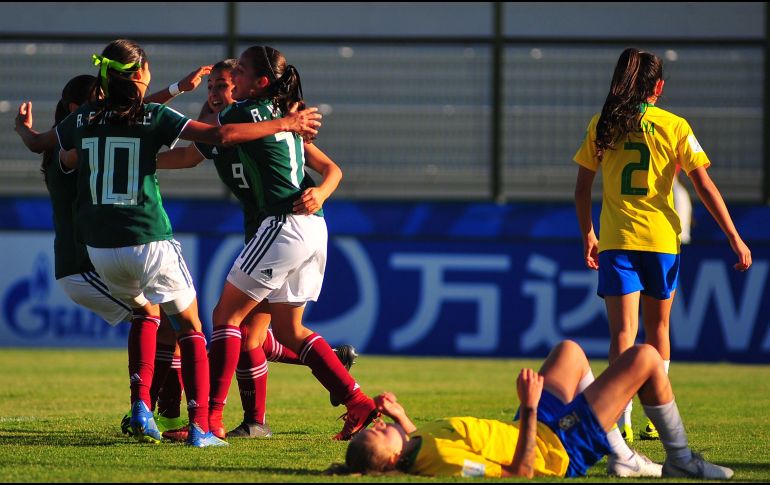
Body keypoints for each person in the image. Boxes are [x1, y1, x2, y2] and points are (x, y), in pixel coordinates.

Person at [14, 38, 321, 447]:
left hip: (101, 251)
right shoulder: (153, 115)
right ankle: (200, 427)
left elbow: (40, 144)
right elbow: (222, 134)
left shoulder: (86, 117)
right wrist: (286, 123)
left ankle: (143, 406)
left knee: (148, 316)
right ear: (140, 75)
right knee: (194, 327)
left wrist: (23, 129)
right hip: (147, 238)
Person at [156, 59, 358, 440]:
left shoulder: (257, 125)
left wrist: (321, 192)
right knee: (260, 332)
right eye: (212, 87)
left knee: (240, 328)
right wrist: (136, 163)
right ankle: (327, 387)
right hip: (264, 235)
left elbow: (331, 168)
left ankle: (235, 420)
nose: (215, 94)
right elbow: (186, 156)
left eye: (224, 86)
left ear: (247, 89)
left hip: (284, 230)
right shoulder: (222, 132)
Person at [572, 47, 751, 443]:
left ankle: (621, 423)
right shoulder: (674, 125)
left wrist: (588, 232)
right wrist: (734, 236)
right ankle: (658, 416)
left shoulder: (603, 124)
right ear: (659, 86)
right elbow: (703, 185)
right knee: (659, 328)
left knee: (623, 334)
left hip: (617, 241)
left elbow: (582, 188)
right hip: (661, 241)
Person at [333, 340, 734, 479]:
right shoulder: (439, 463)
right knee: (645, 357)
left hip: (537, 426)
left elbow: (445, 441)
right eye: (378, 434)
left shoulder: (418, 446)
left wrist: (402, 418)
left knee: (570, 353)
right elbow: (519, 473)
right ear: (387, 462)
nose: (378, 426)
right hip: (558, 448)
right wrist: (527, 408)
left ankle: (623, 457)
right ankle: (681, 460)